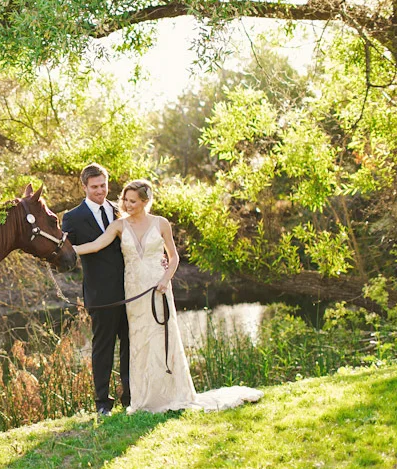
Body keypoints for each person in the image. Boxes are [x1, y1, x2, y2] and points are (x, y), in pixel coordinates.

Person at [73, 179, 263, 413]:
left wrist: (165, 279)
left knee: (162, 337)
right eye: (125, 200)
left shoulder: (161, 223)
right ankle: (143, 396)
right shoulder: (119, 226)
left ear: (145, 201)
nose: (127, 205)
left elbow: (173, 258)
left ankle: (170, 393)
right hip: (134, 290)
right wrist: (65, 248)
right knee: (139, 342)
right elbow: (95, 245)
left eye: (133, 201)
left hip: (158, 288)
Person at [62, 163, 130, 417]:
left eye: (103, 185)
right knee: (103, 348)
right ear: (84, 187)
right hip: (100, 295)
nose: (100, 191)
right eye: (94, 187)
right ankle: (102, 402)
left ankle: (130, 397)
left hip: (130, 291)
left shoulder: (120, 210)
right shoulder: (73, 217)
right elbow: (64, 255)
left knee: (130, 345)